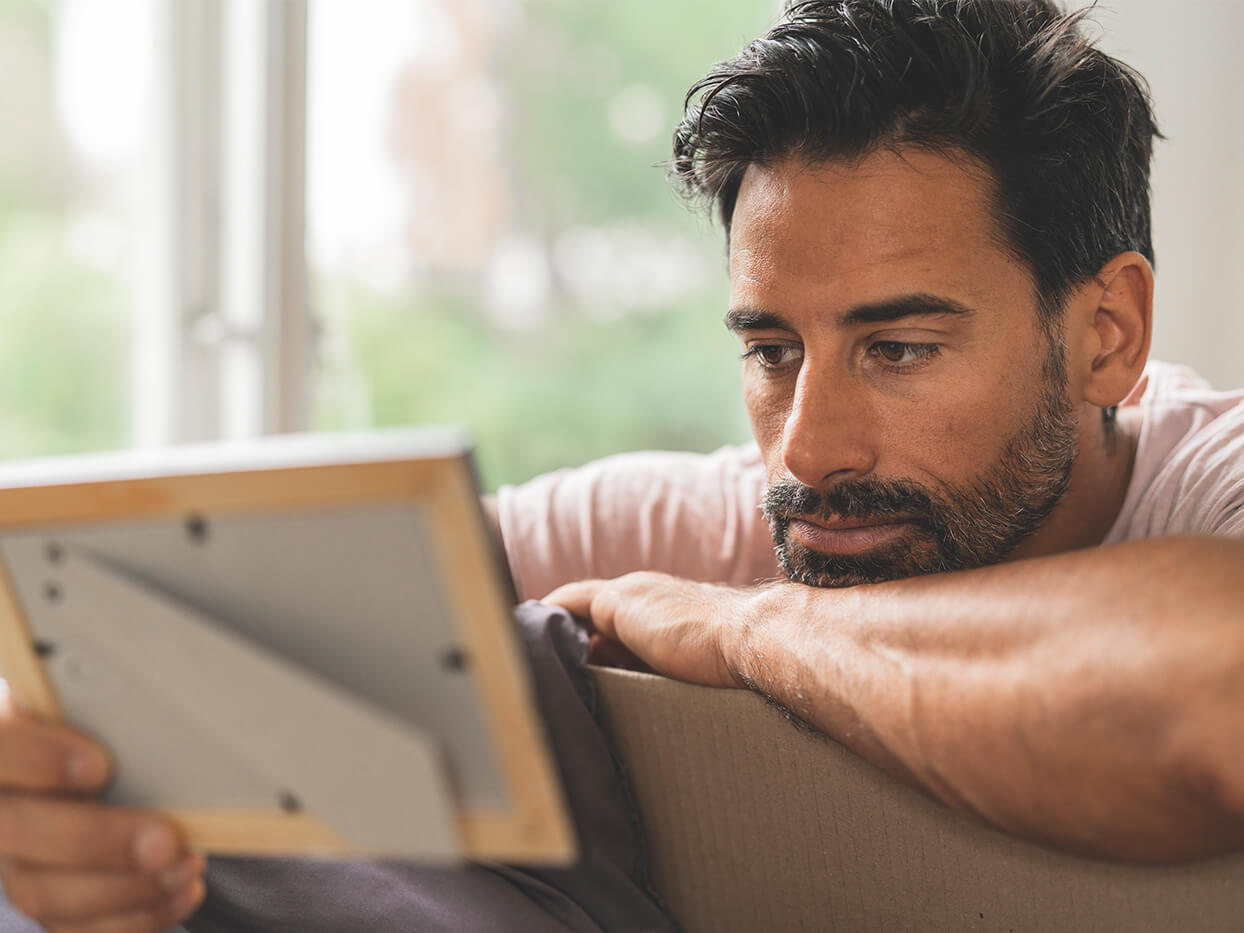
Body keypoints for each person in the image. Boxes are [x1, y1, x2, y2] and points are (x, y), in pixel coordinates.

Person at [1, 0, 1242, 930]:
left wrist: (744, 635)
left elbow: (1213, 683)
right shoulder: (688, 519)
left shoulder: (1213, 486)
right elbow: (187, 615)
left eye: (899, 348)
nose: (805, 446)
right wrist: (53, 777)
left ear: (1105, 335)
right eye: (768, 349)